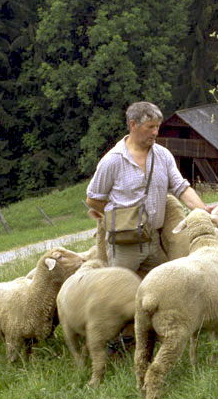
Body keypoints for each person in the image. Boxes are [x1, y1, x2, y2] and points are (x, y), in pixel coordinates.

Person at [86, 101, 211, 273]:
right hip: (124, 245)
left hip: (153, 239)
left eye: (157, 127)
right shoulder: (112, 160)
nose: (155, 132)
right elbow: (93, 199)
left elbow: (181, 188)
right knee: (123, 292)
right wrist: (121, 216)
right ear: (133, 125)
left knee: (165, 285)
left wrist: (203, 210)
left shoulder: (163, 155)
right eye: (150, 127)